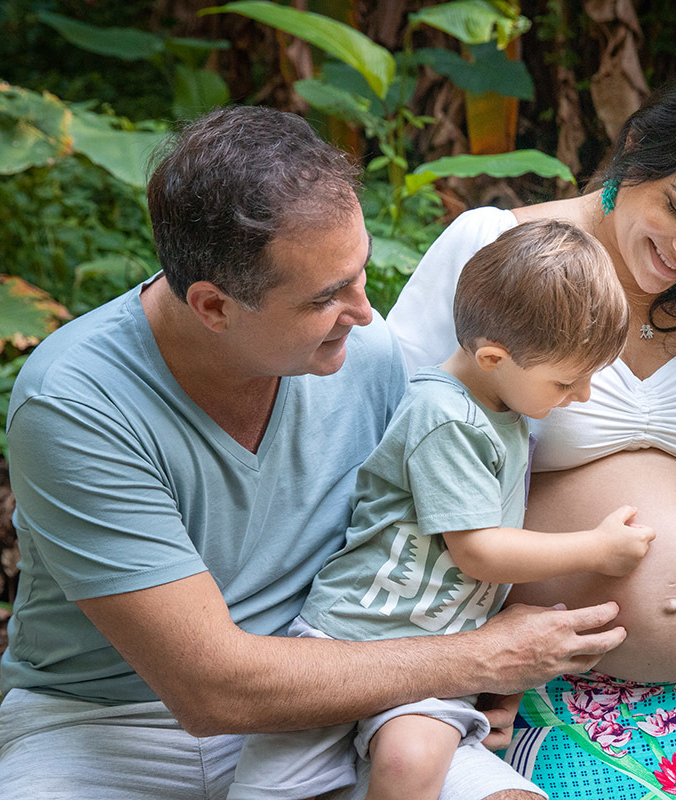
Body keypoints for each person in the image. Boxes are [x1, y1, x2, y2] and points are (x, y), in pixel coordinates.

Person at [0, 106, 628, 800]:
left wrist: (473, 670)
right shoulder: (78, 401)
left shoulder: (367, 357)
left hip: (342, 698)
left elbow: (432, 533)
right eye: (328, 296)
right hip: (109, 726)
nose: (365, 311)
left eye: (360, 273)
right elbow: (211, 690)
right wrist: (479, 658)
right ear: (213, 307)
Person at [387, 57, 676, 799]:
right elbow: (382, 439)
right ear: (636, 145)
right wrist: (466, 653)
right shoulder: (497, 249)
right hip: (527, 675)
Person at [227, 219, 654, 800]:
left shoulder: (503, 407)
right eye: (566, 382)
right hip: (348, 640)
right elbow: (479, 550)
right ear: (494, 357)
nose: (580, 397)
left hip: (440, 659)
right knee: (269, 787)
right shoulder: (445, 414)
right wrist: (596, 548)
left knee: (412, 756)